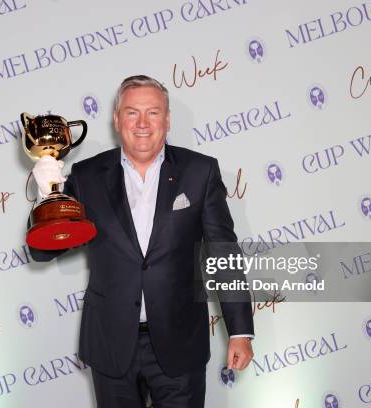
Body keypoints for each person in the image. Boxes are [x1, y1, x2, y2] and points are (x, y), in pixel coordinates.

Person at [29, 75, 254, 408]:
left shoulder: (200, 171)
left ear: (167, 119)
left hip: (180, 342)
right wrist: (47, 195)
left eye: (153, 112)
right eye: (132, 113)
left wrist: (239, 331)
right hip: (111, 343)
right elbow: (42, 250)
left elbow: (224, 254)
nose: (143, 123)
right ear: (117, 120)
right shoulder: (88, 177)